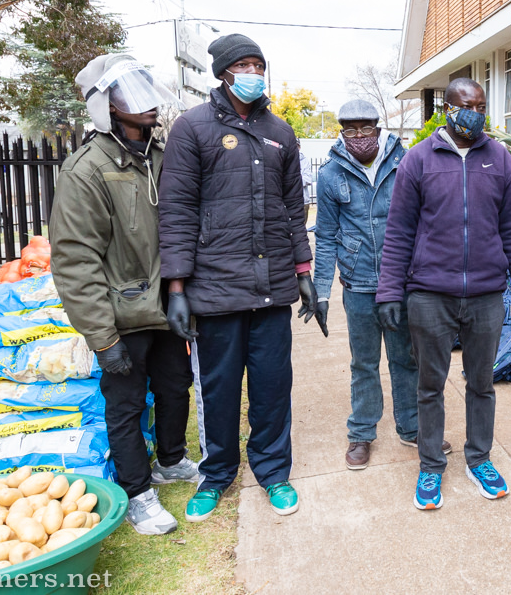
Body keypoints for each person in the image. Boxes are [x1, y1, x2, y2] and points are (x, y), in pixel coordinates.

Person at [158, 34, 326, 521]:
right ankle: (217, 475)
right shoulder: (192, 129)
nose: (254, 73)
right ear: (224, 73)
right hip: (215, 289)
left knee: (273, 387)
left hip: (272, 287)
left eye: (259, 64)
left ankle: (273, 472)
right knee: (220, 389)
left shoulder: (281, 131)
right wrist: (177, 288)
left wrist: (303, 272)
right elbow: (177, 211)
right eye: (244, 65)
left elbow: (294, 209)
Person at [49, 53, 198, 536]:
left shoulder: (160, 156)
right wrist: (102, 337)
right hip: (120, 316)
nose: (146, 104)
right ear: (106, 106)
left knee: (176, 388)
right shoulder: (86, 170)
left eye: (145, 89)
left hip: (164, 307)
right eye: (129, 93)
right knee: (127, 404)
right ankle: (138, 492)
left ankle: (171, 460)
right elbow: (75, 260)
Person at [376, 78, 511, 510]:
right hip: (430, 294)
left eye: (481, 105)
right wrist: (390, 291)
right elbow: (398, 233)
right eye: (466, 105)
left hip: (486, 295)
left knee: (482, 384)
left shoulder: (500, 160)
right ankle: (430, 465)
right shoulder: (418, 161)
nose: (474, 112)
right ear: (447, 109)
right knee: (429, 385)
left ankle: (479, 458)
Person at [314, 99, 451, 471]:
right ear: (341, 132)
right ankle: (361, 433)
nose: (359, 137)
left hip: (402, 282)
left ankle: (412, 426)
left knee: (406, 359)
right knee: (364, 363)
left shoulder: (405, 164)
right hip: (357, 285)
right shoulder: (330, 175)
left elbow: (425, 222)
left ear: (378, 127)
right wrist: (321, 291)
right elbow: (325, 237)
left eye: (365, 129)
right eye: (350, 130)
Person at [298, 140, 313, 226]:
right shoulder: (284, 158)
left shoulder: (304, 161)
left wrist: (293, 180)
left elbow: (308, 179)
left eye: (297, 146)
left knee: (302, 226)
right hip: (287, 201)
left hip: (303, 200)